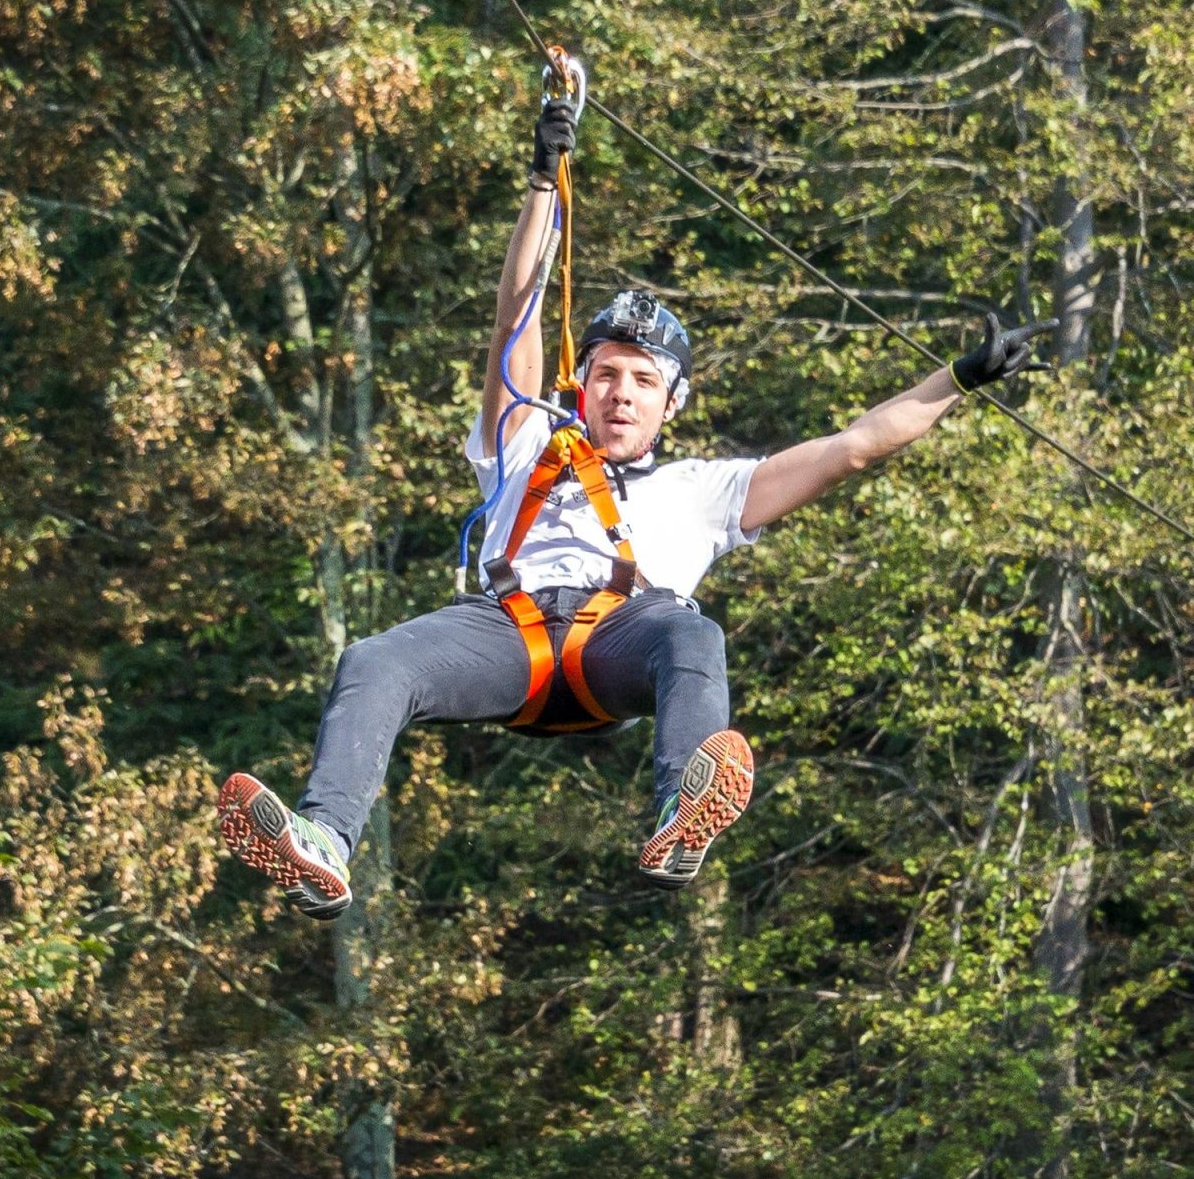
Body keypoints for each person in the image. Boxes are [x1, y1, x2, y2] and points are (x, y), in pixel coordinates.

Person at [217, 97, 1050, 918]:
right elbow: (517, 311)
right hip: (504, 636)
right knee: (373, 659)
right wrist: (544, 179)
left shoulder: (705, 491)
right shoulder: (523, 438)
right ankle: (323, 842)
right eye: (608, 374)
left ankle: (681, 816)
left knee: (692, 630)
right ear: (584, 385)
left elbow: (856, 445)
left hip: (622, 640)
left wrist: (959, 378)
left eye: (643, 381)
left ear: (670, 402)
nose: (621, 394)